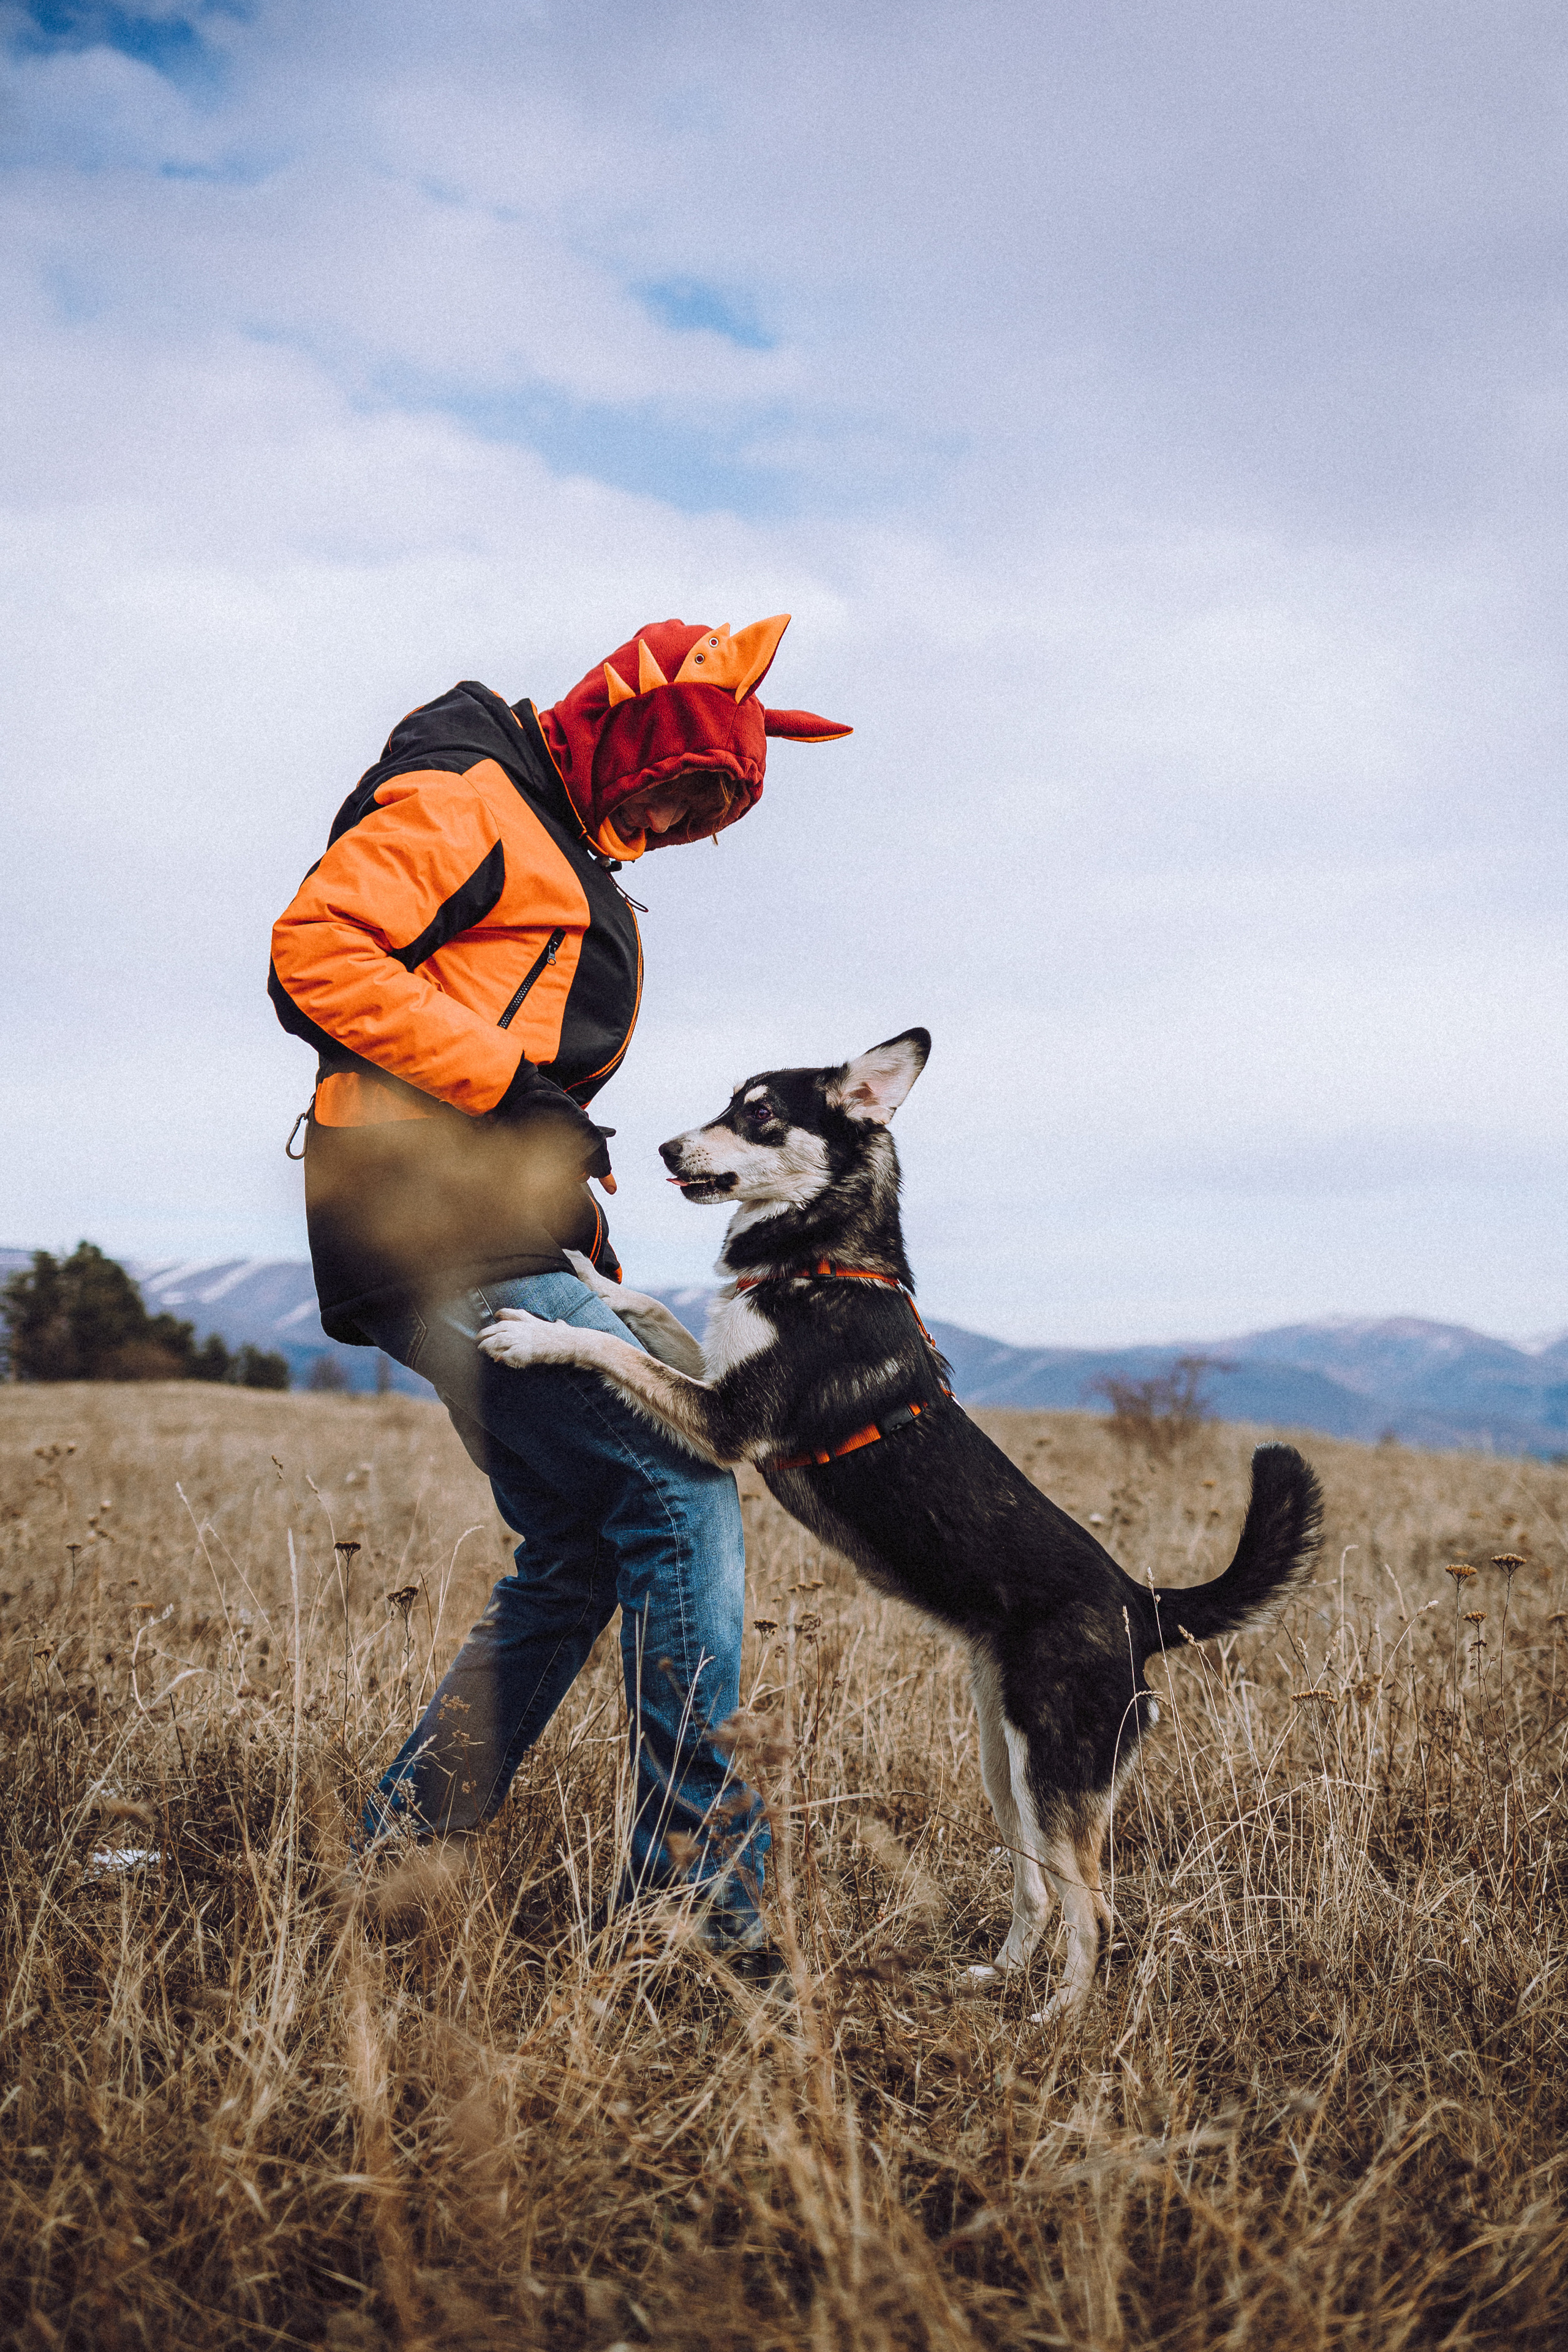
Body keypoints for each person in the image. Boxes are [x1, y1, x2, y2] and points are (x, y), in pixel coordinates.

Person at [268, 614, 850, 1957]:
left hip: (479, 1221)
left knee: (581, 1547)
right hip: (424, 1211)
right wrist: (512, 1100)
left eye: (706, 810)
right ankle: (696, 1897)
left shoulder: (554, 834)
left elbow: (512, 1055)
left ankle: (398, 1861)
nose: (672, 816)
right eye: (673, 782)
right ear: (618, 727)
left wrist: (569, 1201)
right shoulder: (473, 792)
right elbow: (318, 949)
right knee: (677, 1479)